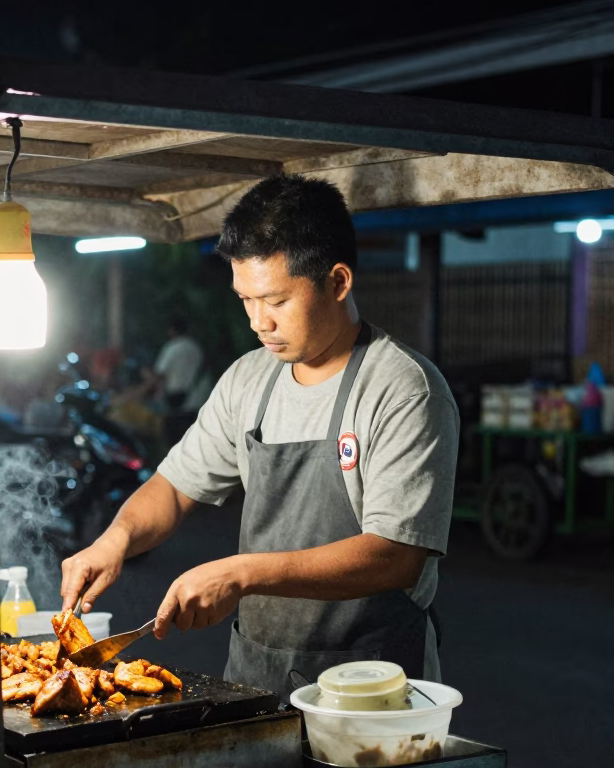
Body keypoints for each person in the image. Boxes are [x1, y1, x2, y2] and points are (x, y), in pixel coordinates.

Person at [60, 175, 459, 699]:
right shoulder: (250, 379)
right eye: (245, 299)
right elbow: (176, 487)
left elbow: (395, 554)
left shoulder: (402, 388)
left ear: (338, 282)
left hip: (373, 689)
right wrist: (115, 540)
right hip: (256, 677)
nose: (258, 322)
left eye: (275, 300)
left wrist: (244, 573)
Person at [151, 315, 206, 446]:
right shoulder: (196, 348)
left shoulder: (172, 348)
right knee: (191, 441)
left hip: (174, 401)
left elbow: (160, 374)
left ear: (171, 330)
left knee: (172, 441)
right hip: (195, 400)